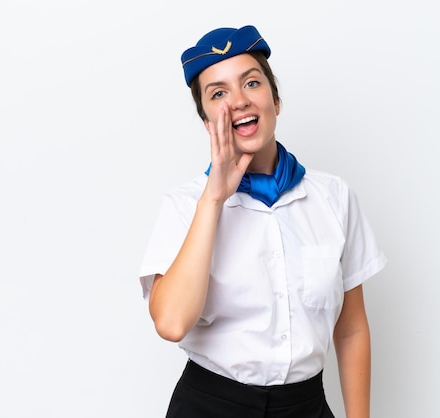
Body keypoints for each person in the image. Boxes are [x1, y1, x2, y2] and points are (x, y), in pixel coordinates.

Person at [139, 24, 387, 418]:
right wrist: (214, 199)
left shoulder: (333, 198)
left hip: (305, 407)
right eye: (218, 93)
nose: (238, 101)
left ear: (275, 99)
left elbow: (352, 327)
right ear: (207, 122)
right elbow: (171, 323)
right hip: (210, 407)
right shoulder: (185, 206)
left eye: (251, 83)